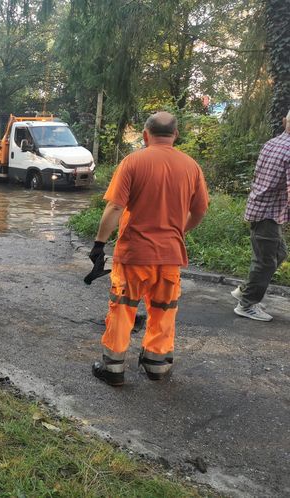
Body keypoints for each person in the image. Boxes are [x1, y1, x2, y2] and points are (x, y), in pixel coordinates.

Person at [89, 111, 209, 386]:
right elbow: (200, 209)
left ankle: (113, 368)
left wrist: (99, 243)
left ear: (145, 134)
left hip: (134, 254)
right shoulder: (191, 166)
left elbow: (116, 207)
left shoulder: (133, 162)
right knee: (163, 310)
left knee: (122, 308)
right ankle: (156, 365)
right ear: (176, 135)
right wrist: (179, 231)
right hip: (170, 256)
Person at [231, 110, 290, 321]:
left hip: (262, 209)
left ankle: (245, 290)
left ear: (284, 122)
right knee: (266, 262)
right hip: (268, 213)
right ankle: (246, 304)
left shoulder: (272, 143)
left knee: (278, 254)